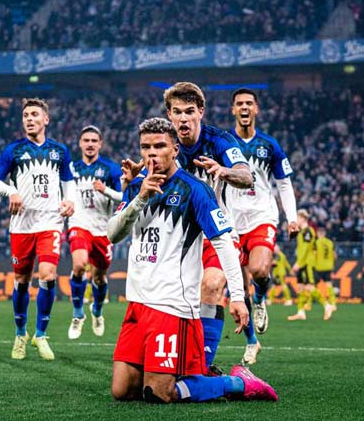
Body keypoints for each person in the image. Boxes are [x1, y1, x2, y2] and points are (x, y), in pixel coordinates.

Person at [108, 117, 277, 403]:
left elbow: (223, 243)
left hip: (171, 307)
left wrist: (236, 296)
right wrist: (139, 198)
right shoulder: (137, 186)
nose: (152, 153)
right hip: (137, 304)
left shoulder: (195, 190)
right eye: (146, 147)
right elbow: (113, 234)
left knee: (160, 393)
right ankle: (198, 375)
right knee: (122, 391)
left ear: (175, 149)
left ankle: (237, 383)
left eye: (160, 146)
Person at [161, 82, 254, 368]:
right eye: (177, 112)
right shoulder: (164, 144)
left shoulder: (220, 141)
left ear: (201, 111)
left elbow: (247, 176)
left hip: (216, 232)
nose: (183, 118)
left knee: (212, 286)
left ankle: (203, 367)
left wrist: (223, 170)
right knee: (175, 298)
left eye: (189, 111)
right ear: (169, 115)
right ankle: (174, 360)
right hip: (178, 236)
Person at [0, 98, 75, 360]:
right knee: (22, 282)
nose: (29, 118)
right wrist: (11, 190)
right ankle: (20, 334)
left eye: (35, 114)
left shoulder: (59, 151)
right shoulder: (12, 151)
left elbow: (69, 181)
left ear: (46, 119)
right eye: (25, 114)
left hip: (50, 223)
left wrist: (70, 199)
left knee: (47, 275)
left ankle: (41, 334)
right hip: (21, 226)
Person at [226, 88, 299, 336]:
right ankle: (250, 339)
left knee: (259, 270)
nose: (244, 107)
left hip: (262, 216)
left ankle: (259, 299)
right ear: (233, 110)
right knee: (237, 284)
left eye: (249, 103)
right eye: (239, 104)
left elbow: (284, 182)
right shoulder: (223, 143)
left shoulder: (270, 145)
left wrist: (292, 219)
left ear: (256, 109)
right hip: (232, 222)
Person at [67, 125, 123, 339]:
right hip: (79, 225)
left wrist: (105, 190)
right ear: (80, 143)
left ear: (100, 144)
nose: (90, 144)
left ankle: (97, 312)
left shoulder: (110, 169)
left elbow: (123, 196)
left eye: (94, 140)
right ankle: (78, 314)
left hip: (103, 231)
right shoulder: (70, 170)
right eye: (86, 140)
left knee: (99, 278)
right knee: (79, 265)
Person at [288, 210, 316, 321]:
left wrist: (298, 263)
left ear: (303, 218)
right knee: (300, 287)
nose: (296, 221)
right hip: (302, 261)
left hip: (305, 263)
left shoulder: (307, 231)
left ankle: (327, 305)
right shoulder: (302, 231)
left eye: (297, 218)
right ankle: (300, 312)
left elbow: (305, 249)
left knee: (309, 287)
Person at [312, 226, 337, 320]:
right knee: (329, 285)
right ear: (325, 234)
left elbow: (314, 254)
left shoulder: (316, 242)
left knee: (312, 286)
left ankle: (309, 304)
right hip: (328, 267)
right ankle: (333, 303)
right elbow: (334, 255)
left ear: (318, 234)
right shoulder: (330, 242)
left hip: (318, 267)